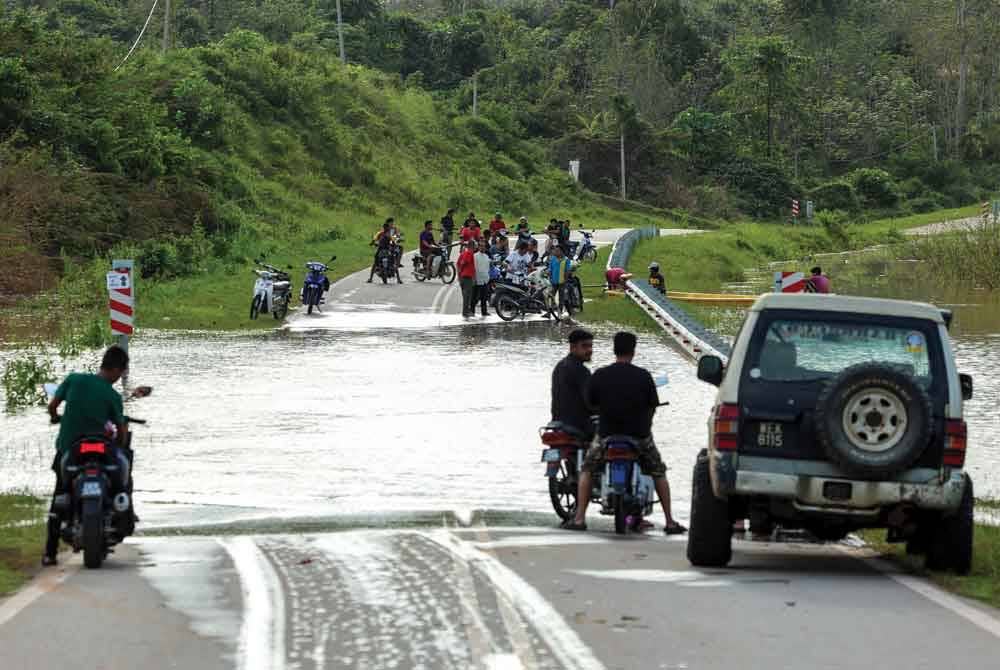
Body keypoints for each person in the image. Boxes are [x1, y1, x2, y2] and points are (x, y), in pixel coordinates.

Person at [564, 332, 687, 535]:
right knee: (658, 472)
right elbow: (652, 406)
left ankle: (579, 518)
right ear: (633, 351)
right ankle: (670, 521)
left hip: (606, 436)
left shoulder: (600, 375)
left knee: (586, 469)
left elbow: (590, 402)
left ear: (614, 350)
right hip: (639, 437)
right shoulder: (644, 376)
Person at [44, 346, 131, 565]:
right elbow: (120, 430)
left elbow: (52, 406)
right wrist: (120, 446)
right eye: (121, 373)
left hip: (69, 449)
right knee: (122, 478)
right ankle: (122, 510)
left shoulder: (74, 380)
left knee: (59, 497)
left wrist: (56, 417)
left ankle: (50, 553)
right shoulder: (112, 395)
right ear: (118, 370)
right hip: (101, 450)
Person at [550, 329, 595, 439]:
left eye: (591, 346)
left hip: (557, 423)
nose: (590, 350)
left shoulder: (560, 366)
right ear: (572, 347)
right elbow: (590, 401)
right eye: (584, 346)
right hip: (577, 426)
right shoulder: (581, 371)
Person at [457, 240, 477, 317]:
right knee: (467, 296)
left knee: (466, 295)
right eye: (475, 245)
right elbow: (463, 263)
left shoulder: (463, 253)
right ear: (472, 246)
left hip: (463, 277)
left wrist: (459, 275)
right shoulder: (469, 253)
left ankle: (466, 311)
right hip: (467, 277)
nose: (476, 247)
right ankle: (465, 312)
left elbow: (458, 263)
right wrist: (461, 273)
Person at [473, 239, 492, 317]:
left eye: (484, 246)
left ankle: (484, 312)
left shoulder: (486, 256)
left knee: (484, 297)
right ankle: (472, 311)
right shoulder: (475, 256)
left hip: (485, 279)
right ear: (478, 247)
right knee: (475, 298)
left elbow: (488, 267)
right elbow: (474, 268)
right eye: (480, 246)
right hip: (477, 279)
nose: (482, 248)